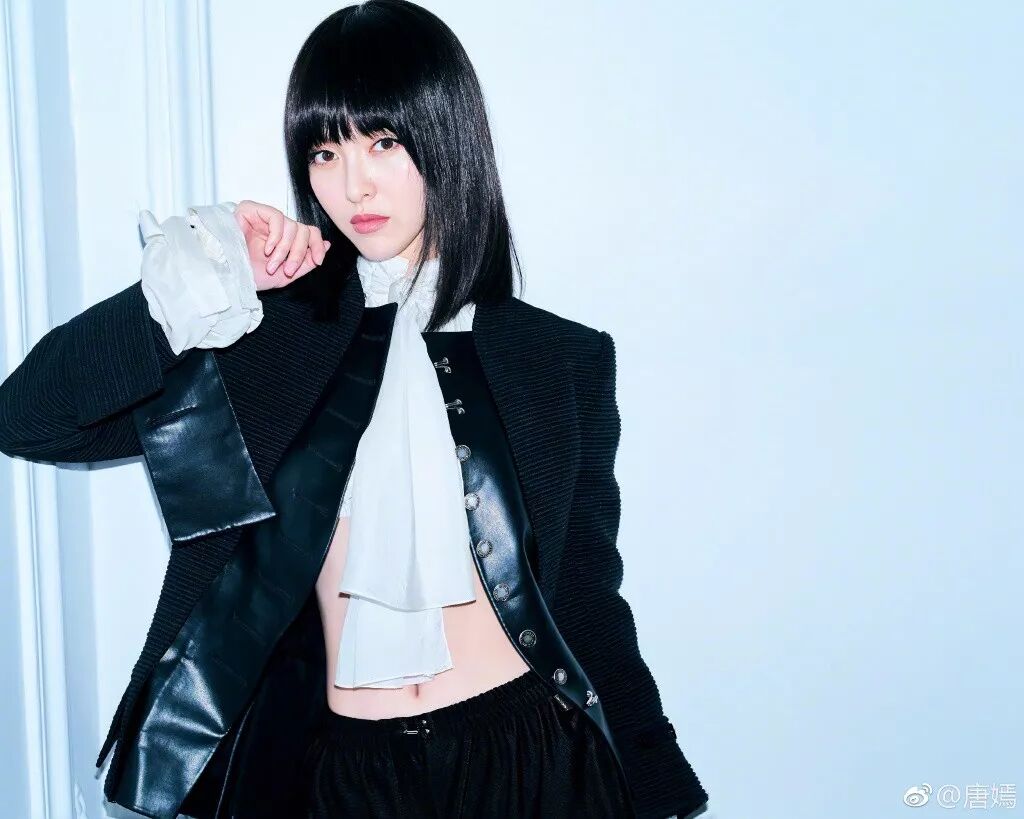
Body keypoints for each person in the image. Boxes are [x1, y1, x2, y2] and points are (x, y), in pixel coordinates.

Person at [0, 2, 709, 817]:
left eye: (383, 143)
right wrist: (194, 284)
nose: (353, 184)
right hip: (340, 773)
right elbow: (29, 417)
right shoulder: (264, 338)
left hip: (530, 757)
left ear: (447, 138)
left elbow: (585, 589)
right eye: (325, 151)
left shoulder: (559, 358)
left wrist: (653, 781)